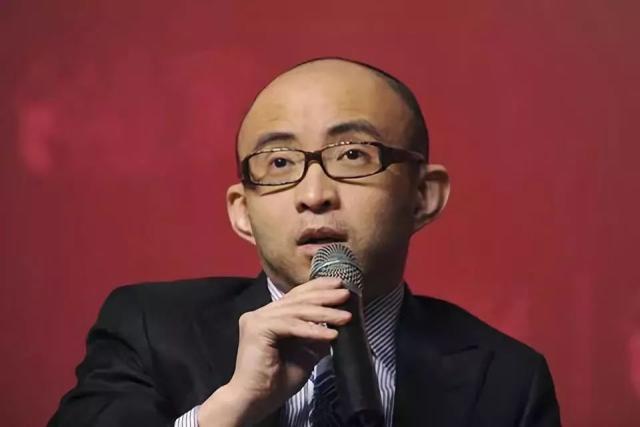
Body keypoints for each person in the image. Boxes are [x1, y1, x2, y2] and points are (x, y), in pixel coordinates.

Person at [48, 58, 561, 427]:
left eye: (353, 155)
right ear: (242, 211)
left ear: (424, 196)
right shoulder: (148, 329)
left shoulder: (507, 378)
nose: (314, 195)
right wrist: (228, 410)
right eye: (278, 163)